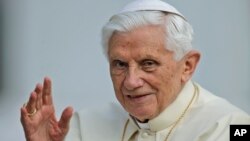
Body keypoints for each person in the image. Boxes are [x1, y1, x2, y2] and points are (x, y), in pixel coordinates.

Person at [20, 0, 250, 141]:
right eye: (120, 64)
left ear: (187, 66)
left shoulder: (232, 126)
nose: (131, 82)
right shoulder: (84, 126)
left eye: (148, 63)